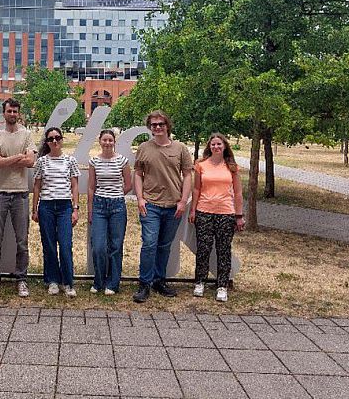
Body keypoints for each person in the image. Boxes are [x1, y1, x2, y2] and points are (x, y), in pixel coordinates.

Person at [132, 110, 193, 303]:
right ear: (150, 127)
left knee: (164, 246)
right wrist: (140, 198)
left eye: (161, 124)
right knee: (149, 244)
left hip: (173, 205)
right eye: (154, 125)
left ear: (167, 126)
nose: (157, 127)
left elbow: (188, 175)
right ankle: (144, 284)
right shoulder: (143, 148)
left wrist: (183, 201)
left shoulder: (180, 148)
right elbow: (138, 174)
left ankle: (159, 281)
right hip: (150, 205)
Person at [0, 98, 36, 298]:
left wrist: (5, 159)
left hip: (21, 195)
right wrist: (17, 158)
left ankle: (22, 279)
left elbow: (31, 161)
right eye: (9, 111)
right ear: (3, 113)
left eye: (15, 111)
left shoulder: (27, 135)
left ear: (18, 113)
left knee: (22, 240)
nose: (12, 114)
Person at [189, 133, 245, 302]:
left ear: (225, 146)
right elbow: (196, 189)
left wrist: (239, 215)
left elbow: (238, 192)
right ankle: (200, 282)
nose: (216, 147)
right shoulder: (200, 165)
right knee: (203, 249)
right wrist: (193, 210)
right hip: (204, 211)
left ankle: (222, 285)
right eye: (213, 144)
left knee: (223, 250)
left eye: (219, 144)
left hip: (226, 213)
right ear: (209, 147)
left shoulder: (232, 167)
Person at [32, 127, 81, 297]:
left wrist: (75, 208)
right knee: (49, 245)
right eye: (51, 138)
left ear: (62, 140)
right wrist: (34, 209)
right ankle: (52, 281)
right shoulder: (41, 161)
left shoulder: (70, 160)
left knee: (66, 245)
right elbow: (37, 186)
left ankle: (68, 282)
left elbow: (75, 185)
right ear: (47, 142)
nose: (54, 141)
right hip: (46, 206)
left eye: (57, 138)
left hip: (64, 207)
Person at [87, 129, 131, 295]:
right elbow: (91, 187)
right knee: (98, 246)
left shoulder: (122, 161)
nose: (107, 143)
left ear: (114, 142)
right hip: (99, 205)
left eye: (110, 140)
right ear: (100, 141)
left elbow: (128, 184)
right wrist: (90, 209)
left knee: (115, 246)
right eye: (104, 140)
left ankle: (113, 283)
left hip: (117, 206)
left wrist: (116, 195)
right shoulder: (94, 162)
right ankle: (98, 281)